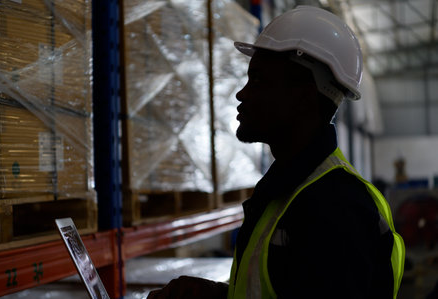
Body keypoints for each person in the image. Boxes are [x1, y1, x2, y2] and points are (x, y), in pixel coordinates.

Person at [148, 5, 405, 299]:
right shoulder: (289, 191)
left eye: (257, 79)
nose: (241, 94)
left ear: (303, 96)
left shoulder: (335, 209)